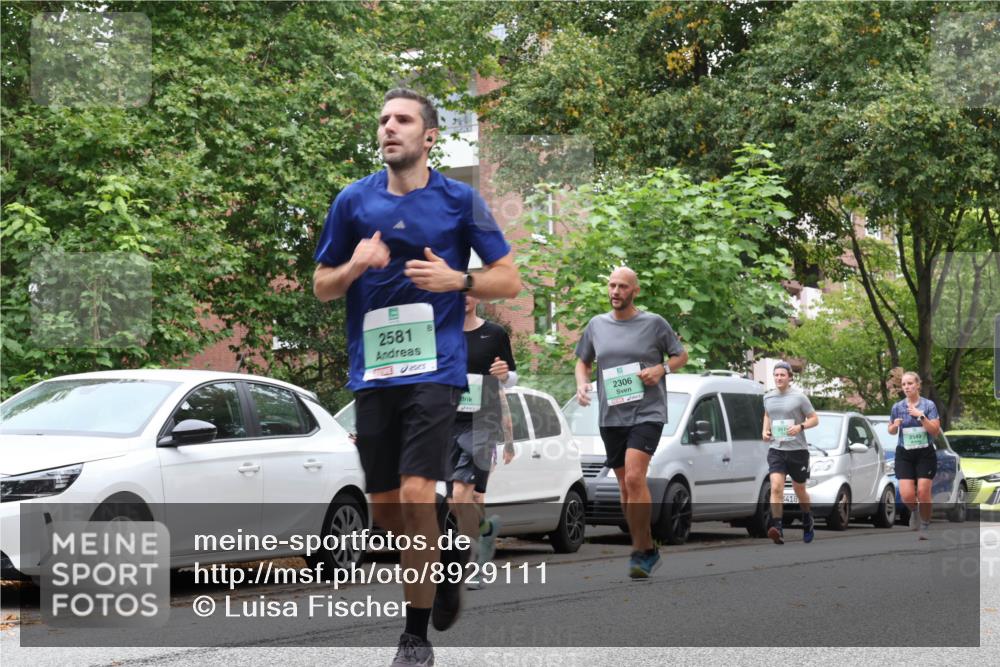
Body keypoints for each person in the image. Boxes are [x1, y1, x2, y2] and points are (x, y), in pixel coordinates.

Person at [313, 88, 521, 666]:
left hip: (438, 369)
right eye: (382, 120)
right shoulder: (353, 201)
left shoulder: (461, 201)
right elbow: (322, 285)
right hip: (374, 373)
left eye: (402, 120)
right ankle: (449, 561)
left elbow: (508, 280)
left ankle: (414, 637)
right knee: (386, 515)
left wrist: (458, 281)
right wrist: (354, 265)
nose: (389, 128)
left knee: (414, 493)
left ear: (429, 137)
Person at [574, 266, 688, 579]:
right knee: (625, 485)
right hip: (611, 415)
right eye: (612, 285)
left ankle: (640, 551)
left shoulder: (653, 324)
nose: (615, 291)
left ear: (635, 291)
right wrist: (581, 384)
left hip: (647, 412)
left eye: (623, 286)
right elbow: (582, 361)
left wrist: (661, 369)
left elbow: (681, 355)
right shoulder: (596, 325)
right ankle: (647, 548)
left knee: (636, 478)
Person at [449, 294, 517, 590]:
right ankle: (486, 531)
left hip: (482, 422)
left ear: (477, 296)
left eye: (468, 291)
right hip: (448, 421)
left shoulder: (494, 333)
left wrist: (504, 375)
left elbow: (510, 376)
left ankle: (469, 565)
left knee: (462, 492)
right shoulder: (441, 332)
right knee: (457, 500)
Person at [762, 361, 819, 545]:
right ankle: (777, 527)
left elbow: (814, 419)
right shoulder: (768, 397)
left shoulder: (799, 397)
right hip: (777, 449)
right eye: (776, 375)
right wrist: (765, 431)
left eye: (782, 375)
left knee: (799, 489)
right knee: (776, 487)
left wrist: (800, 426)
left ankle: (807, 519)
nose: (779, 378)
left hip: (797, 450)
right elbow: (768, 415)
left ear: (789, 377)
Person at [887, 371, 942, 540]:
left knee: (924, 491)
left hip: (925, 453)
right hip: (905, 453)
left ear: (918, 385)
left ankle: (925, 524)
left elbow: (935, 431)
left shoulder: (928, 405)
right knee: (906, 495)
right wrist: (895, 426)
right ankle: (914, 510)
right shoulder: (897, 407)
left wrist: (921, 416)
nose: (907, 387)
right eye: (904, 384)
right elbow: (890, 430)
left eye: (910, 383)